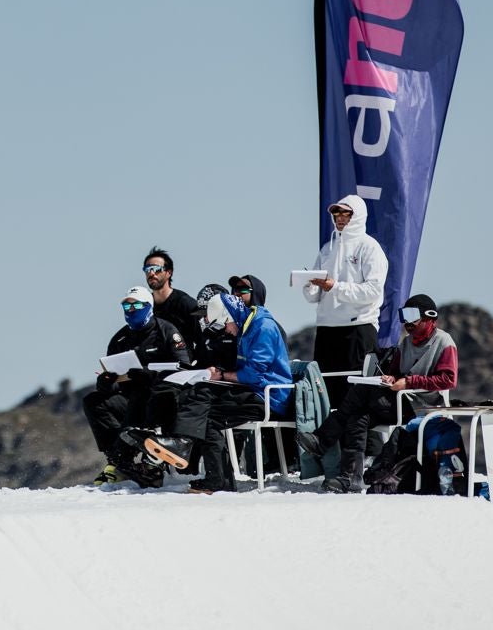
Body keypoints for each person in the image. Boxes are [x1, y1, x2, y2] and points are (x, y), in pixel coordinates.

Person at [297, 294, 458, 493]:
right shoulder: (406, 343)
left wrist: (408, 382)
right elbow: (396, 372)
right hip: (398, 399)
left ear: (429, 317)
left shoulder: (443, 342)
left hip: (420, 407)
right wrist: (391, 378)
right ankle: (350, 478)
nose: (407, 322)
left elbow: (448, 379)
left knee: (361, 392)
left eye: (412, 315)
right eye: (403, 315)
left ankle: (322, 440)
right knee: (358, 417)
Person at [140, 290, 293, 491]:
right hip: (256, 390)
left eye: (223, 325)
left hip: (269, 397)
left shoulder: (262, 327)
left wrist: (221, 375)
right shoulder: (248, 326)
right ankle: (216, 477)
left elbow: (255, 374)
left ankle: (188, 448)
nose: (225, 331)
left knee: (206, 405)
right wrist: (217, 373)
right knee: (204, 406)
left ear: (229, 316)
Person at [85, 287, 192, 486]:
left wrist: (149, 374)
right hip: (129, 398)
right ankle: (117, 461)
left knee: (143, 395)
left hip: (161, 399)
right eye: (127, 305)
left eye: (136, 305)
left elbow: (183, 368)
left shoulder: (166, 331)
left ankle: (141, 461)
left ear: (149, 307)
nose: (131, 309)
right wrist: (106, 383)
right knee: (93, 401)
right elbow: (113, 381)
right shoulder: (119, 339)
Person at [301, 194, 388, 406]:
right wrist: (309, 284)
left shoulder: (369, 247)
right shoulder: (328, 248)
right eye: (336, 213)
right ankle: (330, 440)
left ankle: (359, 440)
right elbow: (313, 297)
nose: (340, 218)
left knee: (355, 396)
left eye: (345, 214)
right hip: (327, 329)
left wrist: (336, 287)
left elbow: (373, 291)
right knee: (326, 396)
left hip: (357, 329)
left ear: (357, 216)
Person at [142, 248, 201, 355]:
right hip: (152, 367)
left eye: (156, 269)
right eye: (147, 269)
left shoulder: (185, 303)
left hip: (181, 367)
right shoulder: (145, 305)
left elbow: (203, 340)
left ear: (169, 272)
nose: (151, 273)